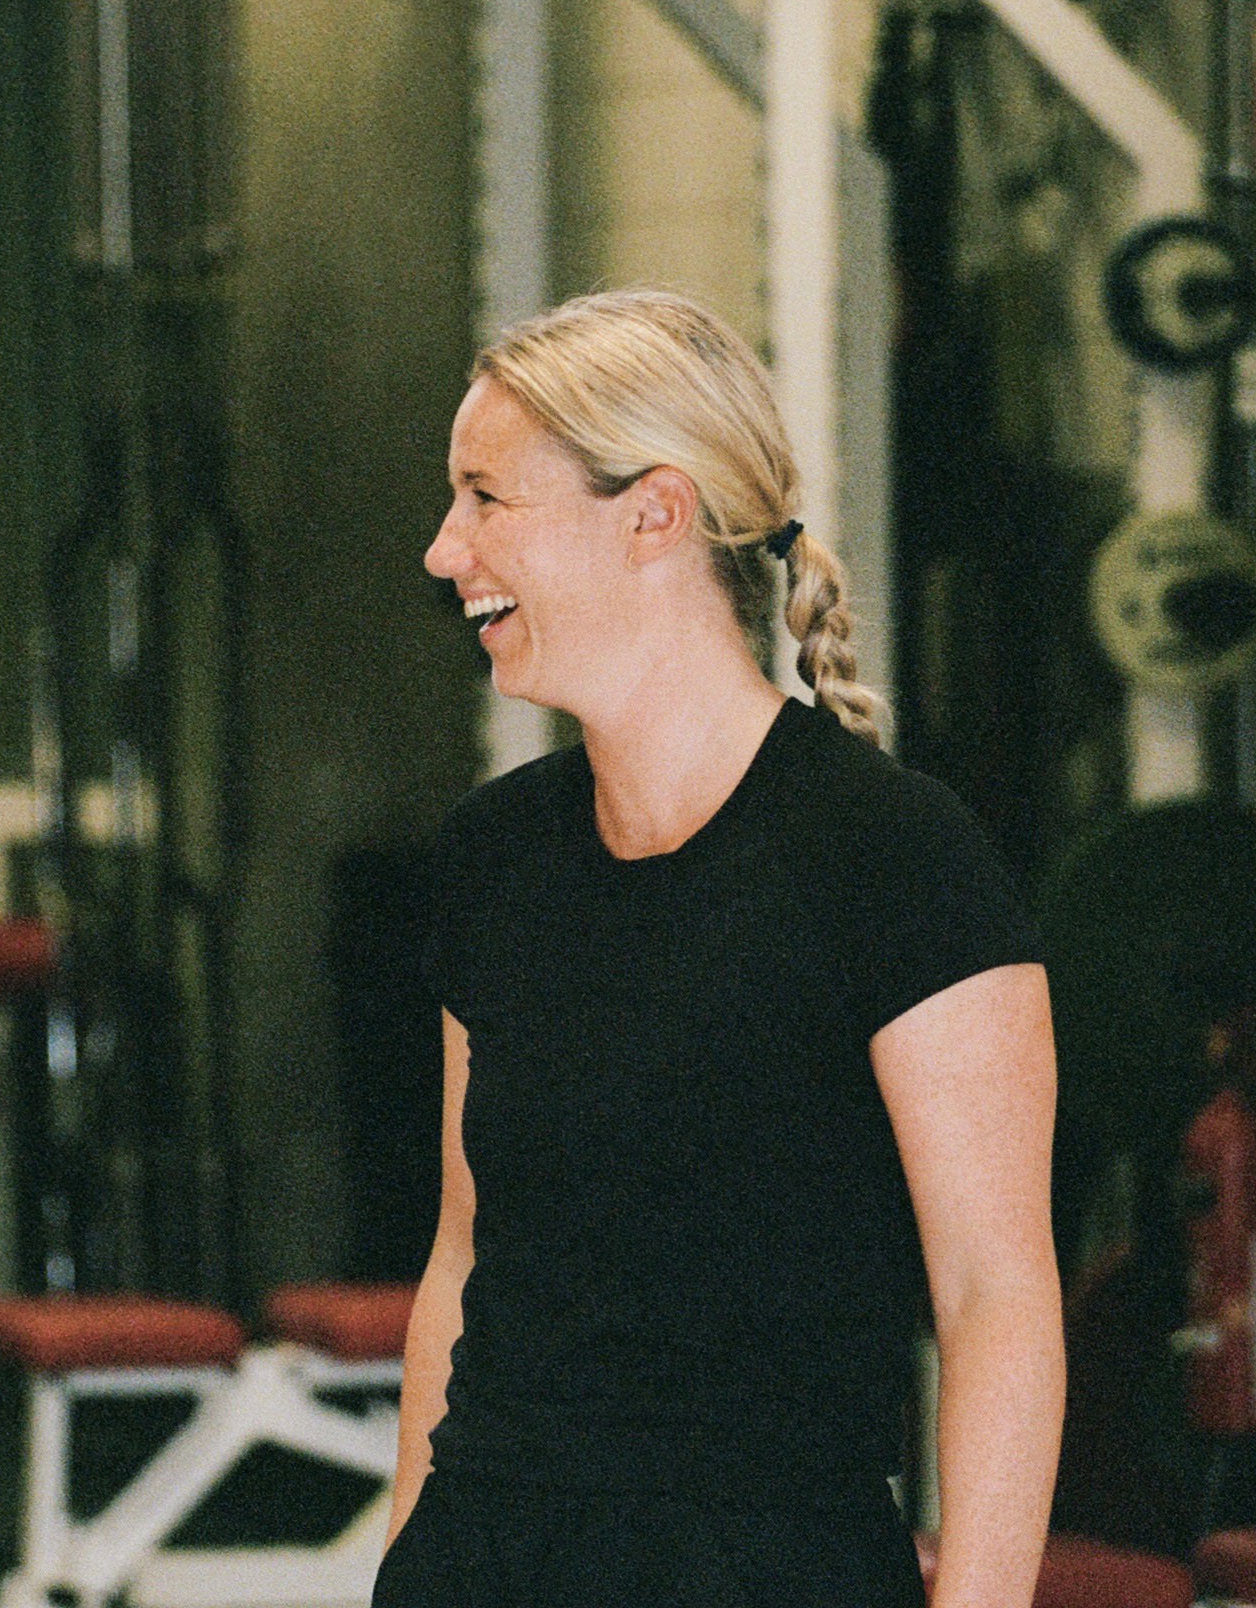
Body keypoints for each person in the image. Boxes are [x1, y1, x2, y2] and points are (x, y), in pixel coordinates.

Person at [382, 289, 1061, 1608]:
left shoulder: (893, 860)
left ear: (653, 513)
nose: (440, 548)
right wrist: (405, 1563)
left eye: (484, 498)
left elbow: (995, 1300)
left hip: (762, 1566)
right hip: (483, 1553)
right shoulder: (489, 857)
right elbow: (464, 1263)